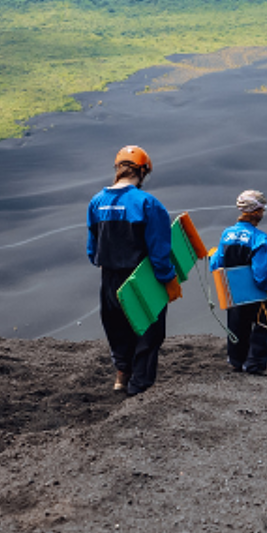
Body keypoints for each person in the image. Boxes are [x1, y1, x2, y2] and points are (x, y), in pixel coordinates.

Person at [88, 145, 180, 396]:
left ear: (117, 170)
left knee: (116, 328)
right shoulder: (148, 203)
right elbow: (159, 251)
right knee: (149, 333)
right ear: (142, 171)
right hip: (142, 278)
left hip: (108, 278)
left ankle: (121, 376)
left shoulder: (97, 202)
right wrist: (168, 279)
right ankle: (140, 387)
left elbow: (91, 249)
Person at [208, 189, 267, 375]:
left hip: (233, 291)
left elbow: (216, 264)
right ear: (257, 211)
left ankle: (236, 361)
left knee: (236, 325)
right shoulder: (260, 238)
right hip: (256, 295)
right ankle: (254, 365)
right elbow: (260, 275)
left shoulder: (226, 234)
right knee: (261, 326)